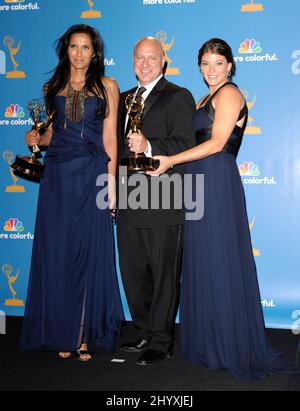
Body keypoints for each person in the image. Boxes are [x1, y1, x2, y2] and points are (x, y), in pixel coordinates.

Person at [147, 38, 297, 380]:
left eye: (218, 63)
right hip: (198, 180)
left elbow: (216, 143)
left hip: (216, 179)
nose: (211, 70)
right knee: (202, 260)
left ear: (230, 65)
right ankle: (208, 342)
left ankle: (228, 344)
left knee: (219, 258)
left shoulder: (229, 94)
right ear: (199, 67)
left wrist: (169, 160)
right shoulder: (205, 97)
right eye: (205, 63)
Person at [20, 24, 124, 361]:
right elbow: (53, 134)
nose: (79, 54)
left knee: (87, 253)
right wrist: (37, 139)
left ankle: (82, 334)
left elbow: (110, 139)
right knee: (61, 253)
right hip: (58, 177)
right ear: (66, 50)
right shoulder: (52, 87)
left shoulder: (108, 86)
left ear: (96, 53)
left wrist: (111, 186)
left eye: (86, 48)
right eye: (74, 47)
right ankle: (64, 331)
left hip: (92, 174)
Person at [117, 37, 195, 365]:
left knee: (164, 274)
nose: (145, 63)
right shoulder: (121, 99)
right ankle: (145, 330)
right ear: (132, 60)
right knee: (133, 272)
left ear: (163, 61)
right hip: (127, 197)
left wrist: (149, 145)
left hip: (163, 196)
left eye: (152, 58)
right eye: (139, 57)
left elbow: (183, 143)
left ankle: (162, 340)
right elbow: (113, 148)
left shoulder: (178, 96)